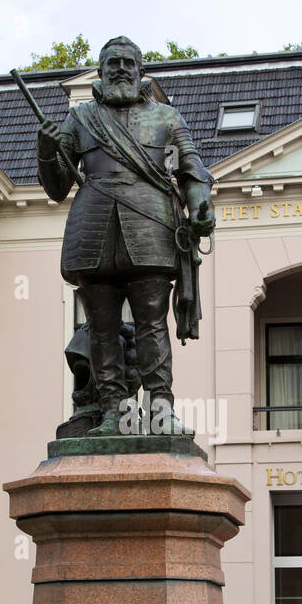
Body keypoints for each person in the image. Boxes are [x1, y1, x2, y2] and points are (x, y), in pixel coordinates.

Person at [36, 35, 214, 435]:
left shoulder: (168, 118)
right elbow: (56, 187)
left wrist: (200, 204)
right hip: (92, 225)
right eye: (111, 62)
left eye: (127, 63)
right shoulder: (79, 119)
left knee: (152, 321)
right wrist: (46, 150)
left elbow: (192, 168)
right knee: (101, 326)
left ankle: (161, 407)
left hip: (150, 223)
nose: (119, 68)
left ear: (141, 72)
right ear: (99, 72)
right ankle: (113, 410)